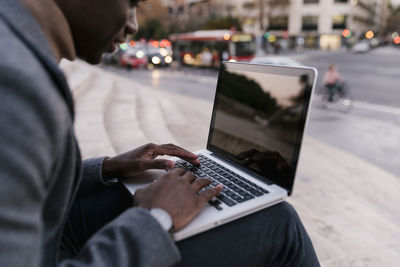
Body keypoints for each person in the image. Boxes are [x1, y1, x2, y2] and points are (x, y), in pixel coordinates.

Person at [0, 0, 320, 266]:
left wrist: (108, 167)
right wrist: (155, 219)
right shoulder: (16, 82)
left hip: (57, 231)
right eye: (132, 3)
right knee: (281, 224)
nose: (134, 25)